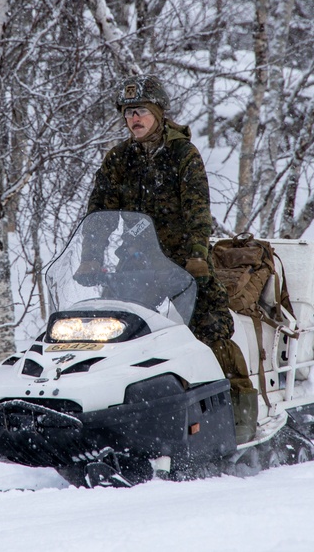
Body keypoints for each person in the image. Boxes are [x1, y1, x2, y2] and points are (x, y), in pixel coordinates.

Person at [81, 74, 258, 443]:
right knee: (116, 335)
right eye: (129, 113)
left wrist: (196, 256)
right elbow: (98, 213)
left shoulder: (183, 154)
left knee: (211, 332)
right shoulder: (119, 159)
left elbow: (197, 212)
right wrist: (90, 259)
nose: (135, 119)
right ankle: (115, 421)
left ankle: (240, 424)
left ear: (159, 114)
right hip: (137, 262)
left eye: (142, 111)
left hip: (184, 262)